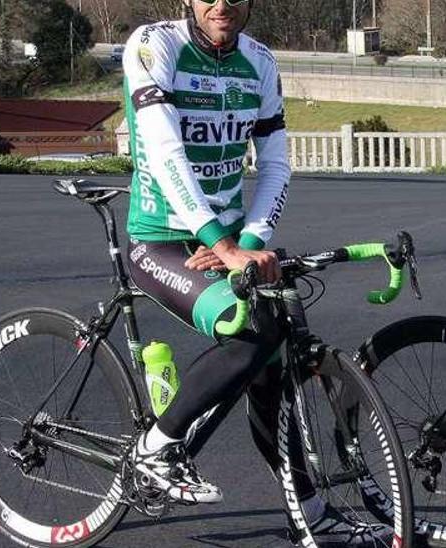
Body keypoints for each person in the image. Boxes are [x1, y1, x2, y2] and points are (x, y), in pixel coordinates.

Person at [120, 1, 388, 544]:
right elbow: (165, 148)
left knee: (273, 363)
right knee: (249, 336)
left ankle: (307, 510)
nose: (222, 3)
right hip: (163, 240)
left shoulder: (259, 61)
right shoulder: (155, 45)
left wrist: (244, 244)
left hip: (227, 244)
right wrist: (215, 240)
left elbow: (275, 164)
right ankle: (156, 446)